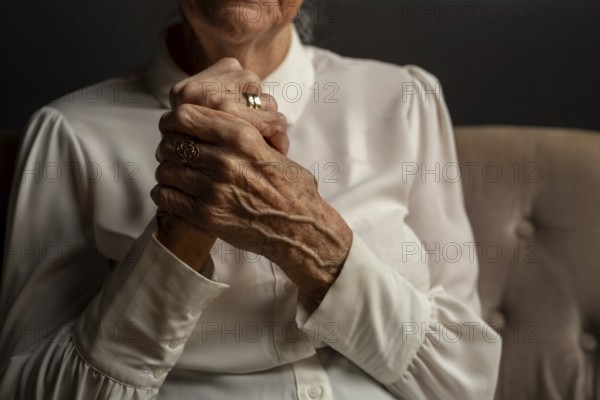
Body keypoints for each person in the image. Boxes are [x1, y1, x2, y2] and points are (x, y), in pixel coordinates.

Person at [0, 0, 502, 399]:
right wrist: (187, 223)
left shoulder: (406, 98)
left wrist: (306, 234)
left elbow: (464, 382)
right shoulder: (70, 132)